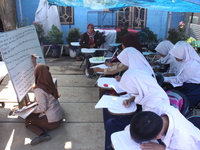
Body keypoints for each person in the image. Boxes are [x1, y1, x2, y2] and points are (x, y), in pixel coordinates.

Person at [105, 69, 170, 150]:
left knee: (112, 124)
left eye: (130, 89)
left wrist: (127, 134)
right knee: (112, 123)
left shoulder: (155, 102)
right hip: (145, 119)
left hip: (149, 126)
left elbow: (145, 123)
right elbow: (139, 94)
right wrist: (130, 99)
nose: (130, 91)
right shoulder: (148, 87)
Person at [25, 55, 62, 146]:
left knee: (28, 121)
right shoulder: (50, 83)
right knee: (32, 105)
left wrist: (29, 110)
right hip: (58, 115)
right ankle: (44, 126)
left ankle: (42, 134)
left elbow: (42, 108)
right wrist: (34, 63)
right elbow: (40, 71)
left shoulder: (39, 90)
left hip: (52, 121)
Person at [130, 108, 200, 150]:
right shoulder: (161, 108)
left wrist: (163, 148)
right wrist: (135, 134)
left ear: (158, 137)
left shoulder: (183, 142)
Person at [164, 41, 200, 107]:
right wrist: (170, 74)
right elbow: (180, 74)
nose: (175, 58)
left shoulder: (192, 65)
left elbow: (179, 80)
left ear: (182, 54)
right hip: (186, 86)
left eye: (176, 56)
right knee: (166, 93)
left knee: (173, 101)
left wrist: (164, 79)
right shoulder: (184, 62)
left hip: (193, 89)